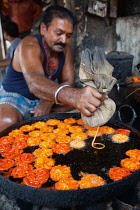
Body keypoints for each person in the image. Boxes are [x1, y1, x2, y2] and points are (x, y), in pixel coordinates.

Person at [0, 5, 105, 132]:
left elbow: (68, 82)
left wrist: (48, 101)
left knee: (88, 107)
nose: (63, 40)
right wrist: (74, 96)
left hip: (44, 96)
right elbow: (35, 83)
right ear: (43, 28)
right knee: (7, 121)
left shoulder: (64, 49)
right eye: (59, 33)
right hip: (17, 96)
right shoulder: (29, 44)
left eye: (69, 36)